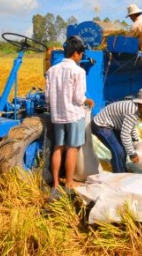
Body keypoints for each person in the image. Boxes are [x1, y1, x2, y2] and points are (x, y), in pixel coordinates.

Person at [45, 36, 94, 194]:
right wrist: (88, 101)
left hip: (57, 115)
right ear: (76, 54)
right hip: (73, 115)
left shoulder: (51, 70)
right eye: (81, 54)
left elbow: (47, 97)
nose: (81, 57)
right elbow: (79, 98)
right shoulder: (78, 71)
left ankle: (55, 184)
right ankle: (70, 182)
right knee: (72, 149)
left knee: (58, 148)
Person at [92, 87, 142, 173]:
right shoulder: (132, 111)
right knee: (118, 151)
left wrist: (135, 139)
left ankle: (123, 170)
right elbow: (125, 134)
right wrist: (132, 154)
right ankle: (119, 176)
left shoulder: (136, 107)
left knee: (123, 148)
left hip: (112, 124)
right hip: (101, 125)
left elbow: (130, 126)